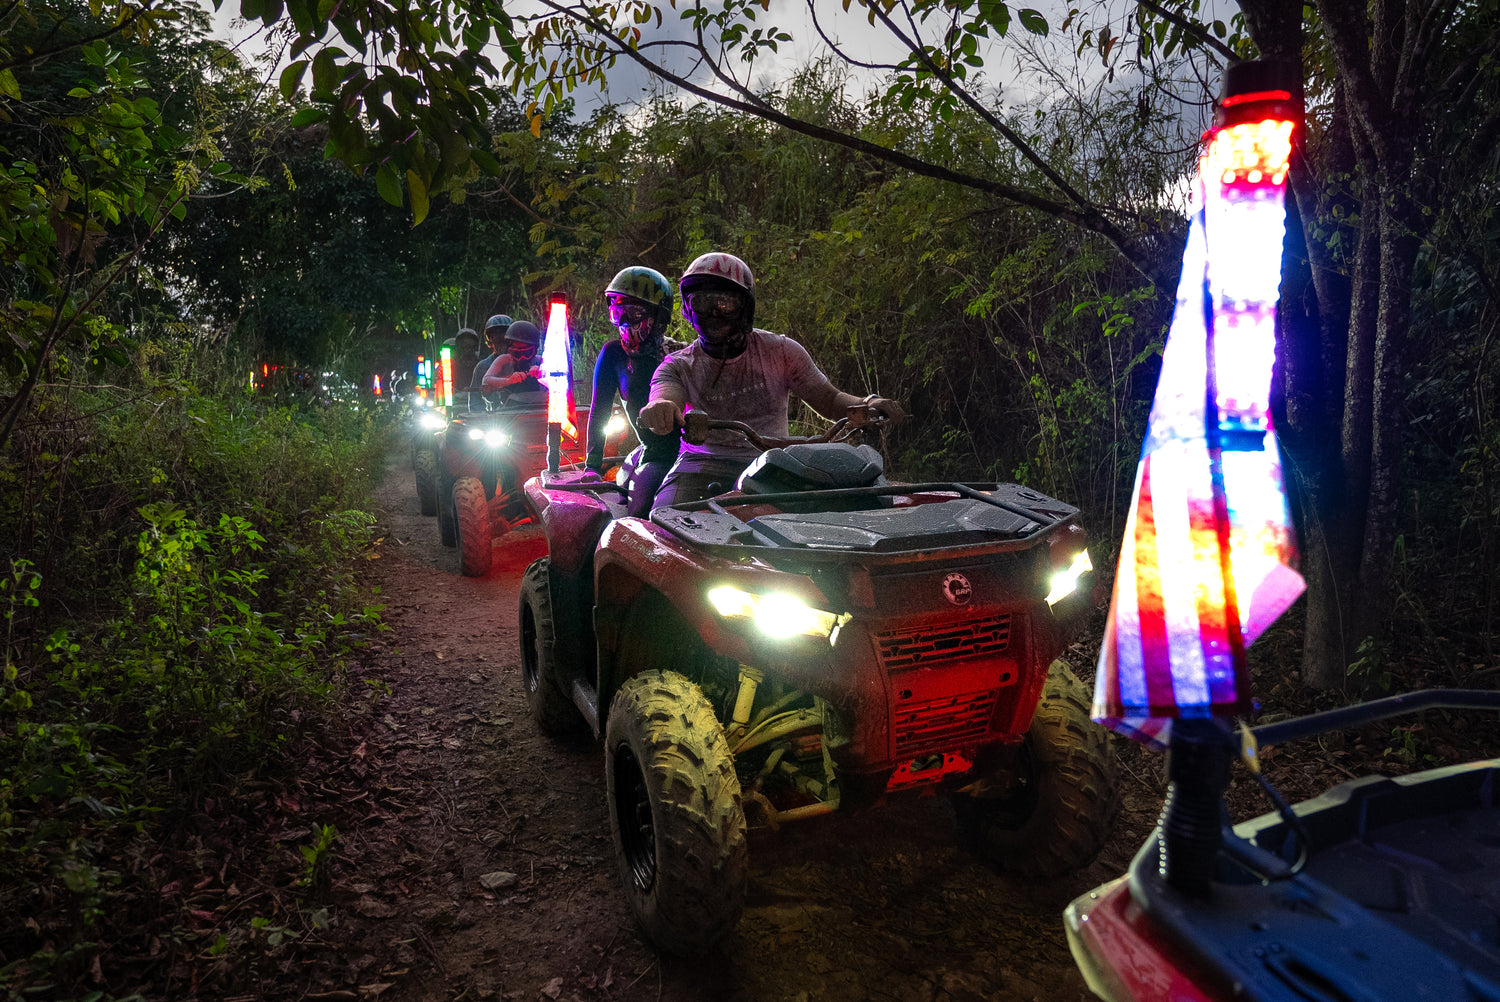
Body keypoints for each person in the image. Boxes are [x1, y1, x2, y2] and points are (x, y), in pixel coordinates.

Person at [639, 252, 902, 508]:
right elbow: (664, 394)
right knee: (667, 520)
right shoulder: (677, 365)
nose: (714, 313)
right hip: (701, 466)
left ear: (744, 307)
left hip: (776, 465)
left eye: (724, 304)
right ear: (687, 307)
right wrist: (660, 407)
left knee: (845, 513)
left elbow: (830, 399)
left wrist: (869, 403)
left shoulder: (780, 350)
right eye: (702, 303)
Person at [585, 267, 683, 516]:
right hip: (655, 454)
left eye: (635, 313)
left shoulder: (678, 355)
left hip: (688, 453)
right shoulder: (613, 354)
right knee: (640, 512)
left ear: (658, 317)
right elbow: (600, 411)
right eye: (618, 312)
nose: (625, 322)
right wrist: (592, 467)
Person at [480, 320, 547, 407]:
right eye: (517, 354)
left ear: (535, 349)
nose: (522, 358)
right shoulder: (504, 360)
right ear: (509, 348)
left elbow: (559, 381)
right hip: (509, 412)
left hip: (539, 410)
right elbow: (486, 380)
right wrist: (508, 380)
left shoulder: (540, 362)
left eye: (526, 353)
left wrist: (543, 374)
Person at [470, 314, 512, 410]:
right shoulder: (483, 367)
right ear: (489, 340)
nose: (501, 338)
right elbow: (475, 402)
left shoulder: (523, 363)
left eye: (505, 335)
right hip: (493, 420)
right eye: (496, 335)